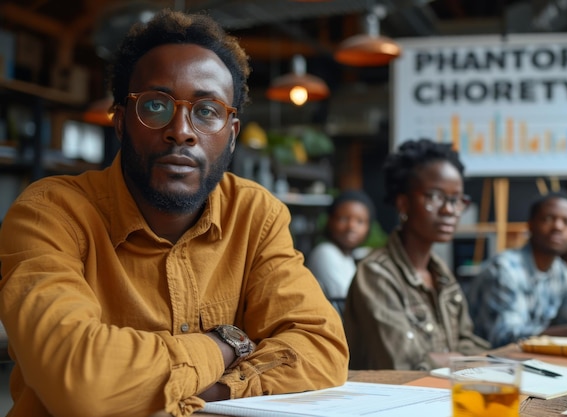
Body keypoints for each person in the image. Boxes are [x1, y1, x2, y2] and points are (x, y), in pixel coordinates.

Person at [0, 10, 348, 417]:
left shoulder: (255, 215)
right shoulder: (49, 213)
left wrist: (202, 393)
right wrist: (226, 346)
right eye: (156, 105)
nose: (180, 130)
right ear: (120, 122)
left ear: (231, 135)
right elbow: (80, 381)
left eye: (206, 111)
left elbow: (321, 348)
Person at [343, 139, 490, 371]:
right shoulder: (376, 273)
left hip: (441, 395)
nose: (449, 210)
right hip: (393, 402)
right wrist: (468, 360)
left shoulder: (440, 272)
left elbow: (467, 342)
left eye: (456, 200)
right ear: (403, 203)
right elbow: (405, 364)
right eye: (435, 197)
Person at [467, 192, 567, 348]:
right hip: (481, 363)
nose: (558, 227)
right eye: (548, 219)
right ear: (530, 224)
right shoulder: (504, 269)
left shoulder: (559, 270)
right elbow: (505, 336)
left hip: (523, 362)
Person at [306, 190, 375, 315]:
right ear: (330, 221)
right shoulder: (325, 252)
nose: (351, 226)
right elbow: (347, 303)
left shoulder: (348, 256)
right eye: (344, 219)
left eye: (360, 221)